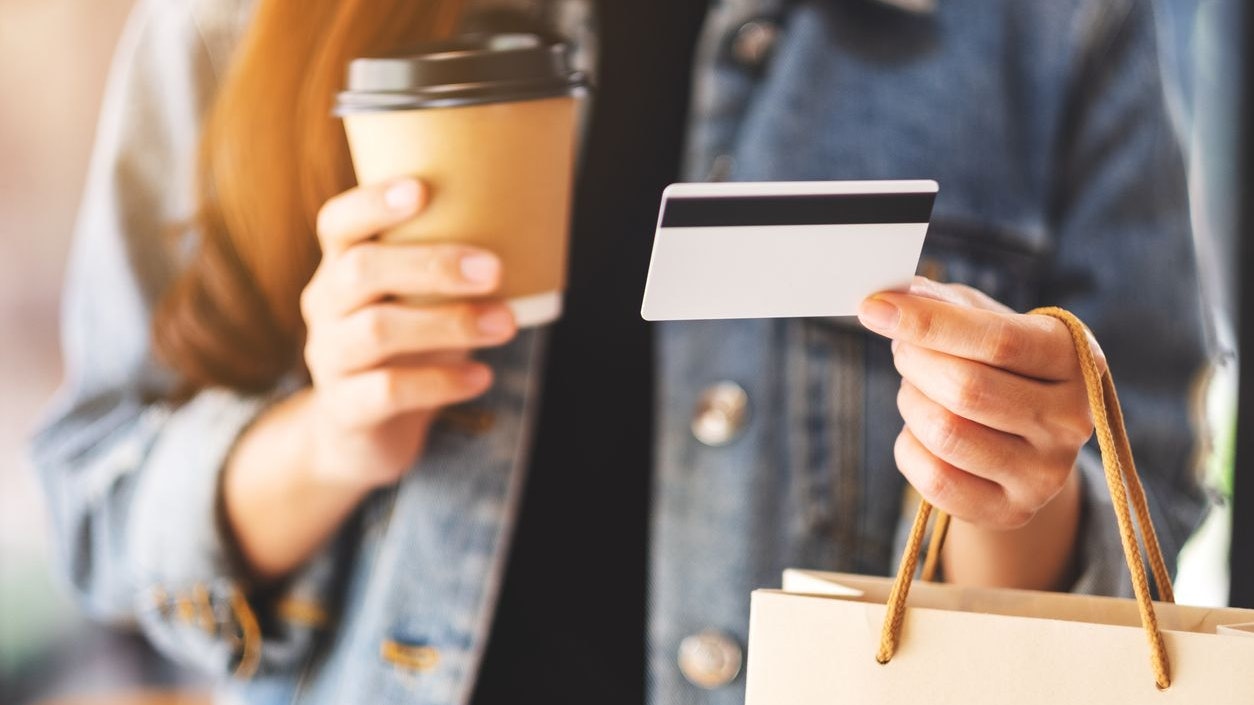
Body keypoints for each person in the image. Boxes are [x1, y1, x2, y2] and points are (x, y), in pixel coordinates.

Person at [32, 0, 1208, 703]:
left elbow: (1142, 529)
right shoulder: (244, 22)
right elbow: (94, 500)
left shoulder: (1052, 27)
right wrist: (333, 438)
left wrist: (1000, 482)